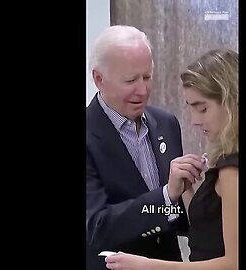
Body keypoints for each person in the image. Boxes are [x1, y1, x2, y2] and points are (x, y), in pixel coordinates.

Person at [105, 48, 240, 270]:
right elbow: (207, 231)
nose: (194, 121)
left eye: (203, 109)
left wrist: (149, 266)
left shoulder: (231, 171)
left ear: (231, 102)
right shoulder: (225, 163)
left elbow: (233, 263)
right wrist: (185, 190)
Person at [86, 25, 206, 270]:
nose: (142, 90)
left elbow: (176, 216)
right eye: (131, 80)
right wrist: (166, 196)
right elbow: (95, 227)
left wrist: (199, 196)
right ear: (99, 79)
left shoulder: (166, 124)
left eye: (147, 77)